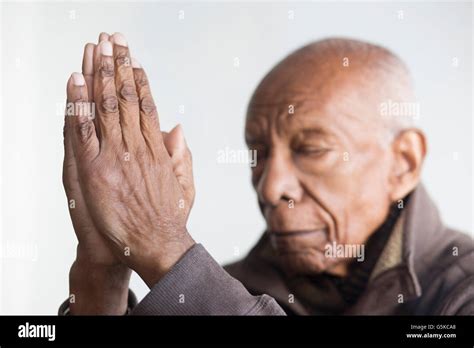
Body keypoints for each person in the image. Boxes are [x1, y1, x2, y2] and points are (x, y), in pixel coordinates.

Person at [59, 32, 473, 315]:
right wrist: (102, 273)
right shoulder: (226, 286)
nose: (272, 187)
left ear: (403, 163)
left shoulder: (461, 289)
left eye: (311, 149)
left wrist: (164, 247)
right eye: (258, 153)